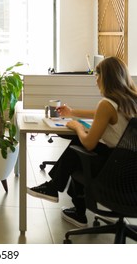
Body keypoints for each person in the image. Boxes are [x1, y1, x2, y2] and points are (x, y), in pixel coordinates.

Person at [27, 56, 137, 227]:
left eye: (97, 76)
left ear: (106, 78)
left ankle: (64, 197)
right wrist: (72, 112)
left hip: (114, 172)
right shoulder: (130, 101)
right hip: (130, 170)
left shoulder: (107, 104)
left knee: (79, 149)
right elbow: (101, 115)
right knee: (79, 151)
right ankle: (59, 192)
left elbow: (89, 144)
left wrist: (78, 127)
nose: (96, 81)